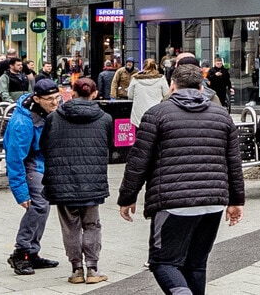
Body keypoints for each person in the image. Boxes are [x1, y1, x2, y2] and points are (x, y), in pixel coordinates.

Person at [116, 62, 244, 295]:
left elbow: (138, 161)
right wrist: (236, 201)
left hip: (172, 202)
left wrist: (127, 197)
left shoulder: (156, 114)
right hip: (212, 202)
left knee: (163, 262)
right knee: (196, 263)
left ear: (172, 86)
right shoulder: (222, 116)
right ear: (202, 88)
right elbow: (233, 163)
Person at [42, 77, 113, 284]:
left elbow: (44, 146)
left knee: (70, 226)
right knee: (91, 224)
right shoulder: (105, 118)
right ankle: (92, 268)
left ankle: (76, 269)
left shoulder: (54, 118)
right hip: (92, 180)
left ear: (71, 93)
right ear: (94, 94)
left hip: (62, 180)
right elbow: (107, 145)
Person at [6, 76, 64, 275]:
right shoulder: (22, 122)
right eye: (50, 99)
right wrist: (21, 192)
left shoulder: (51, 109)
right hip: (30, 163)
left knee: (43, 207)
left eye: (57, 97)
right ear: (37, 98)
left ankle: (32, 252)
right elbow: (15, 158)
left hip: (43, 162)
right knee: (37, 205)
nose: (55, 103)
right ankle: (20, 252)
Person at [128, 60, 168, 125]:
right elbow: (166, 95)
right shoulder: (161, 79)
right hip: (157, 112)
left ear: (144, 66)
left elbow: (130, 95)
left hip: (139, 114)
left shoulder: (135, 79)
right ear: (155, 66)